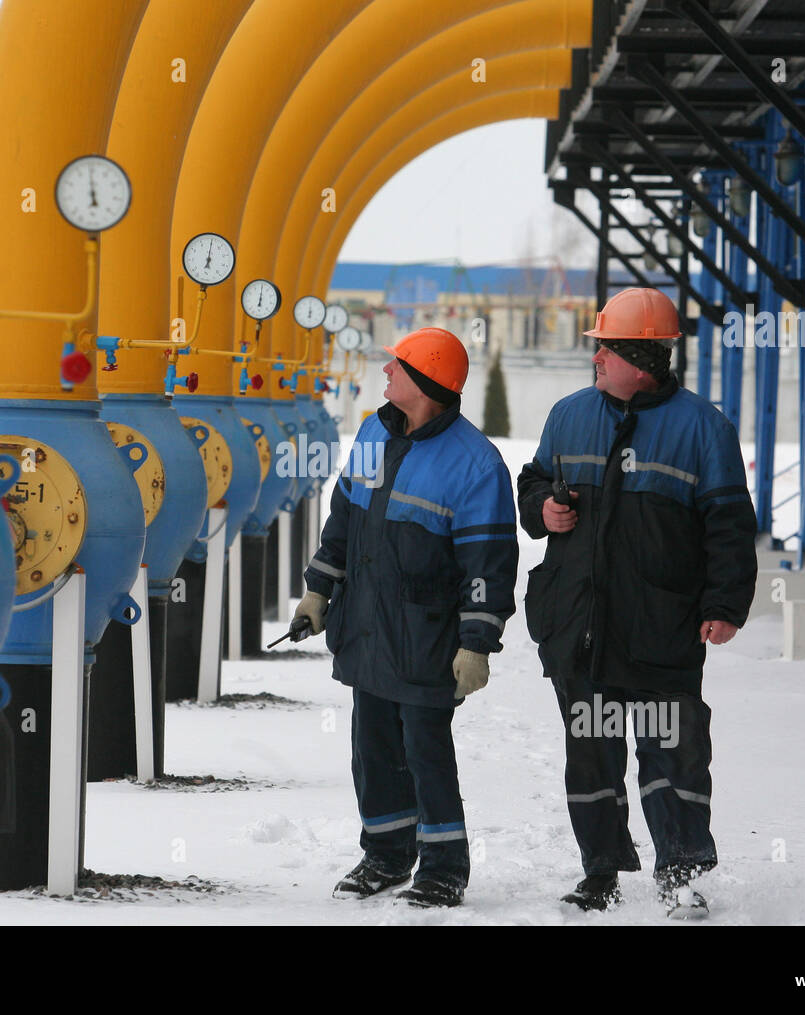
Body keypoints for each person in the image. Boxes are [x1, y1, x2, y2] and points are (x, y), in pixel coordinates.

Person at [517, 288, 756, 918]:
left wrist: (725, 604)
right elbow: (534, 480)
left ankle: (680, 877)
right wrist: (542, 508)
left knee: (671, 752)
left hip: (660, 629)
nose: (594, 357)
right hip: (580, 625)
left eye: (603, 348)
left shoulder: (703, 428)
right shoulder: (569, 414)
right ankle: (600, 872)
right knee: (591, 752)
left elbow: (729, 525)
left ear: (639, 358)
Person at [290, 326, 518, 908]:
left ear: (424, 381)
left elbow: (488, 562)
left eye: (397, 366)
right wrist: (319, 592)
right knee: (372, 749)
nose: (386, 373)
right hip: (367, 626)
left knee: (425, 750)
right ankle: (386, 854)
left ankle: (444, 866)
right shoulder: (373, 431)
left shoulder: (476, 463)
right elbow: (343, 520)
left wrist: (477, 643)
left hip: (426, 637)